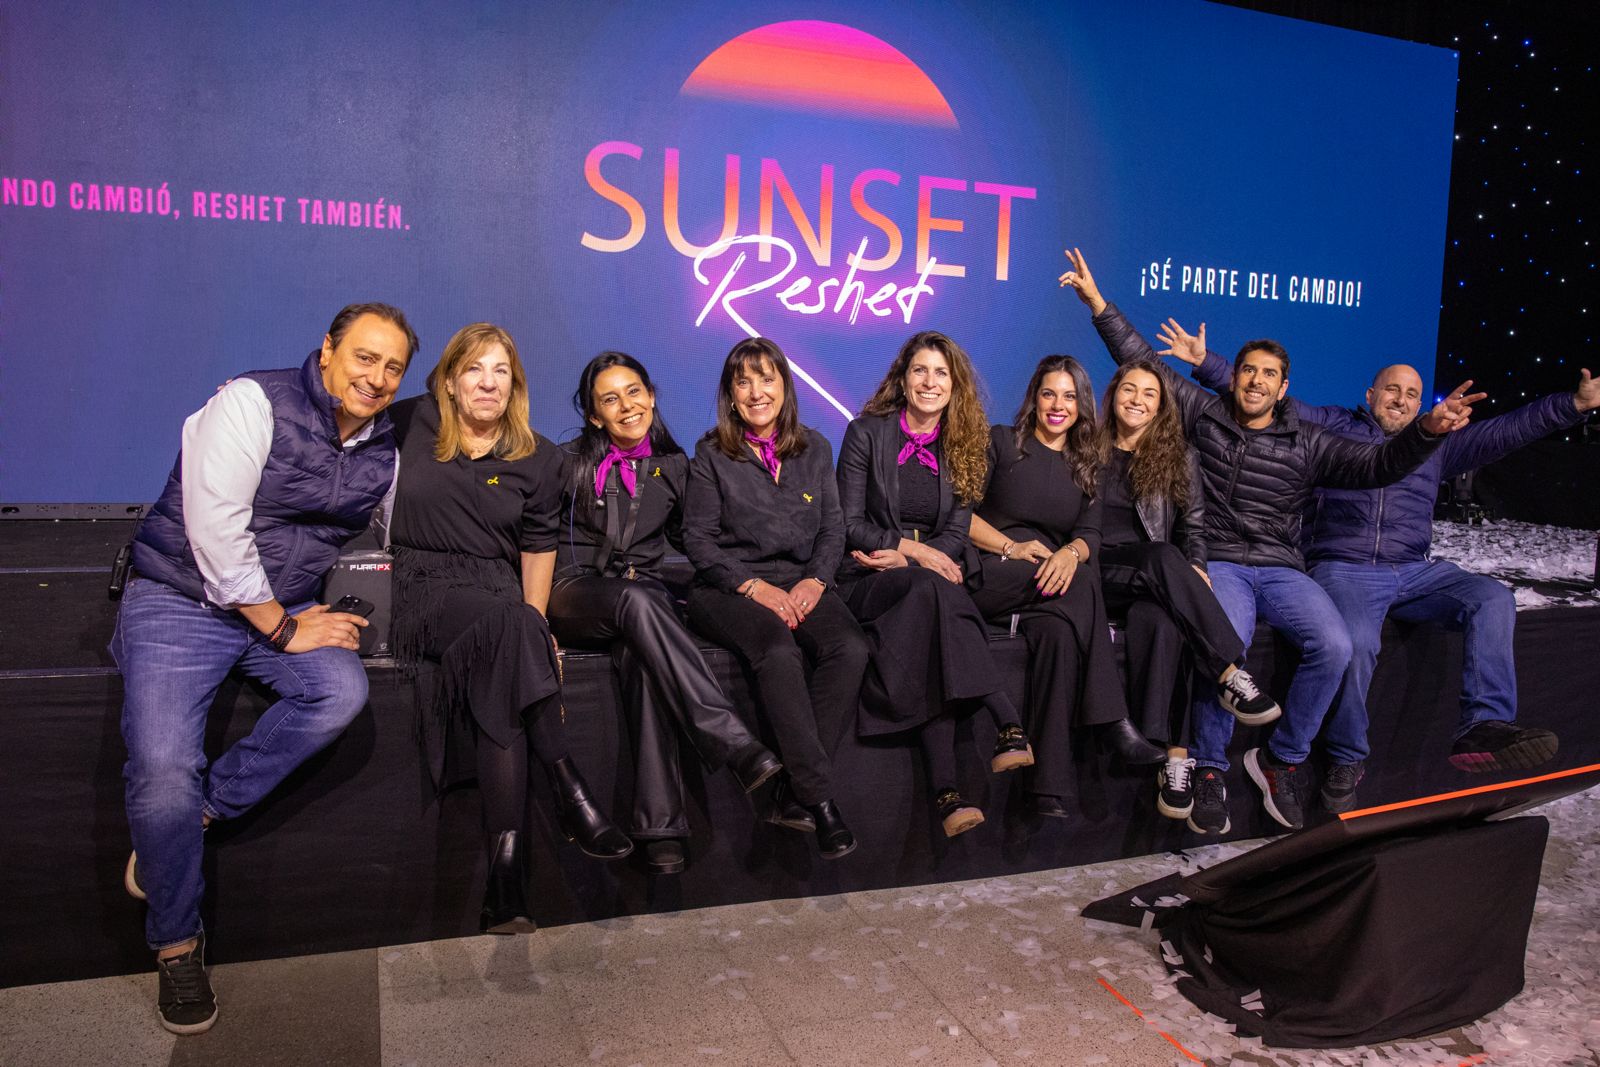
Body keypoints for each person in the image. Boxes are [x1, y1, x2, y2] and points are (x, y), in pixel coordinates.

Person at [1061, 248, 1479, 833]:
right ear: (1233, 377)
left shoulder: (1312, 441)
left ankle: (1283, 758)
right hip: (1221, 562)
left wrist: (1428, 431)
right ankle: (1209, 768)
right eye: (1248, 371)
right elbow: (1140, 363)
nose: (1256, 381)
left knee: (1334, 646)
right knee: (1221, 645)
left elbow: (1378, 466)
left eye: (1269, 375)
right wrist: (1098, 304)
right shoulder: (1204, 413)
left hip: (1282, 568)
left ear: (1284, 388)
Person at [113, 303, 417, 1033]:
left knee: (338, 692)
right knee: (162, 767)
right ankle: (177, 945)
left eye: (393, 367)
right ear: (327, 350)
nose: (377, 378)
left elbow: (382, 534)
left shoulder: (384, 447)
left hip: (282, 605)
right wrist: (282, 626)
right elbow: (214, 528)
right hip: (183, 598)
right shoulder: (252, 401)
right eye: (364, 357)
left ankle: (197, 815)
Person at [1176, 344, 1598, 806]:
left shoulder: (1436, 442)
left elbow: (1508, 431)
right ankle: (1345, 756)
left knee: (1492, 597)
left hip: (1415, 571)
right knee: (1354, 644)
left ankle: (1483, 724)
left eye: (1412, 394)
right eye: (1392, 389)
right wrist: (1206, 363)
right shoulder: (1332, 426)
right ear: (1370, 394)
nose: (1401, 399)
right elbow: (1263, 395)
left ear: (1421, 405)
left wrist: (1574, 404)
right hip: (1345, 567)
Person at [388, 323, 633, 936]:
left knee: (510, 653)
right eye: (474, 369)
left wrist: (537, 622)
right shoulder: (407, 422)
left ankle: (506, 887)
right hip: (424, 588)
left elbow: (539, 546)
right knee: (511, 630)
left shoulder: (539, 457)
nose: (488, 382)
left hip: (499, 596)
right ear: (449, 380)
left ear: (515, 385)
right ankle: (568, 784)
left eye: (501, 371)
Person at [545, 351, 783, 875]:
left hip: (641, 602)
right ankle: (732, 741)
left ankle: (661, 828)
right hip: (574, 593)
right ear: (594, 416)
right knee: (641, 600)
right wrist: (532, 615)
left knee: (645, 654)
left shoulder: (675, 467)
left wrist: (760, 572)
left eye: (634, 392)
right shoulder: (566, 461)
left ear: (651, 396)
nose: (627, 406)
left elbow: (699, 541)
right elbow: (532, 539)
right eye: (610, 399)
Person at [835, 330, 1033, 838]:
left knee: (928, 615)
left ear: (955, 384)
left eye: (941, 373)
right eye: (920, 370)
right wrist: (912, 552)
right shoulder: (866, 433)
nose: (930, 382)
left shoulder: (965, 442)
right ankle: (1005, 717)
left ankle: (948, 795)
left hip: (931, 576)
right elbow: (848, 524)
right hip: (869, 572)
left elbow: (957, 530)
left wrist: (925, 558)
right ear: (903, 379)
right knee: (932, 592)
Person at [682, 337, 867, 859]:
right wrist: (753, 586)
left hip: (802, 580)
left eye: (767, 379)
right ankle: (821, 801)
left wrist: (816, 580)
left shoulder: (816, 447)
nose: (756, 392)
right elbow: (697, 541)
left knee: (850, 648)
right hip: (729, 585)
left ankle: (791, 791)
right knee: (779, 650)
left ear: (785, 385)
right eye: (743, 382)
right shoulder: (711, 453)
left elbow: (833, 530)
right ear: (730, 394)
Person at [964, 355, 1170, 820]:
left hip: (1045, 584)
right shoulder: (1002, 442)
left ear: (1082, 405)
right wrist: (1012, 548)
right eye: (1049, 394)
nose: (1058, 405)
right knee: (1082, 585)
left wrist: (1070, 553)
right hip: (991, 570)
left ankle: (1047, 789)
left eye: (1069, 396)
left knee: (1059, 634)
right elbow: (961, 515)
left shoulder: (1086, 463)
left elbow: (1090, 534)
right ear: (1034, 398)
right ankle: (1113, 719)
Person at [1092, 359, 1279, 825]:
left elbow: (1193, 529)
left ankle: (1172, 756)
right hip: (1095, 569)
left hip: (1152, 579)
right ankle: (1229, 671)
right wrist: (1180, 567)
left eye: (1149, 393)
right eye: (1129, 389)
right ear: (1113, 395)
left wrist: (1195, 566)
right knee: (1161, 558)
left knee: (1164, 620)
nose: (1137, 400)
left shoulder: (1179, 456)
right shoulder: (1086, 448)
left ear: (1161, 406)